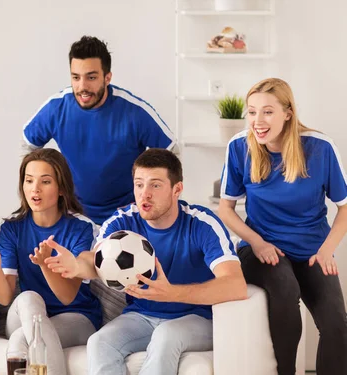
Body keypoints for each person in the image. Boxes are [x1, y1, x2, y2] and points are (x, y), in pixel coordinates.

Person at [43, 148, 247, 375]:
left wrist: (174, 294)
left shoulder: (202, 223)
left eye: (155, 185)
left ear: (176, 189)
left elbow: (235, 284)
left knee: (165, 336)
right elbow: (95, 260)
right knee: (99, 342)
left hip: (195, 318)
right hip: (140, 316)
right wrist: (76, 266)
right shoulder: (123, 221)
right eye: (139, 184)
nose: (144, 194)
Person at [218, 78, 347, 375]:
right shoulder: (240, 146)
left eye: (267, 112)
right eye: (251, 112)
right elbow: (226, 209)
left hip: (312, 251)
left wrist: (327, 250)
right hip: (262, 249)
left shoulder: (320, 148)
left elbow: (344, 207)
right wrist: (258, 243)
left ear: (288, 113)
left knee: (336, 324)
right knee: (286, 289)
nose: (257, 121)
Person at [22, 35, 176, 225]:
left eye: (91, 77)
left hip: (127, 216)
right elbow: (29, 145)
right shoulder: (57, 107)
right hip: (72, 215)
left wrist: (153, 202)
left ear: (107, 77)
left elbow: (171, 154)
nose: (82, 87)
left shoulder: (134, 112)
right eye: (76, 77)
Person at [0, 148, 101, 375]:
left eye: (45, 181)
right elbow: (4, 297)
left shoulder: (81, 228)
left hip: (76, 317)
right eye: (29, 180)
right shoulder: (12, 229)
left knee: (20, 342)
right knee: (28, 297)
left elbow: (68, 296)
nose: (35, 188)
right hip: (25, 314)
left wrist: (45, 265)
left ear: (61, 188)